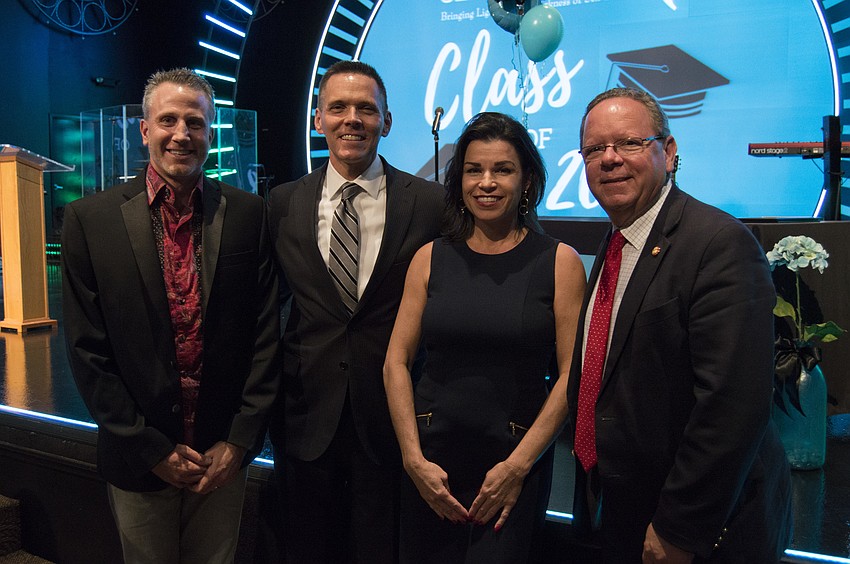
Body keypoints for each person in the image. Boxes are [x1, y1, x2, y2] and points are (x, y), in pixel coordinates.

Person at [62, 68, 280, 564]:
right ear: (145, 130)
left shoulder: (249, 214)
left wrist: (239, 442)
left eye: (194, 122)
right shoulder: (89, 221)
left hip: (221, 457)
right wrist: (150, 449)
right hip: (139, 457)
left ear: (210, 132)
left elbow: (266, 334)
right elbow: (86, 350)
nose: (181, 133)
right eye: (168, 120)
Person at [569, 87, 792, 563]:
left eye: (629, 143)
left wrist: (680, 529)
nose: (609, 159)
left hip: (699, 532)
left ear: (668, 152)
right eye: (594, 149)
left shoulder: (719, 244)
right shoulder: (615, 243)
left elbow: (732, 406)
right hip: (625, 509)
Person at [383, 112, 587, 563]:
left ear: (527, 180)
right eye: (474, 170)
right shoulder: (429, 257)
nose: (487, 183)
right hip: (430, 464)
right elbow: (396, 360)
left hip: (513, 467)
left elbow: (572, 376)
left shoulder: (560, 262)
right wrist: (412, 459)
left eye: (503, 169)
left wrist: (518, 467)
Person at [267, 60, 444, 564]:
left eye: (366, 108)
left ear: (386, 121)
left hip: (393, 419)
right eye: (338, 107)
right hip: (305, 417)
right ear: (318, 119)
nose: (352, 119)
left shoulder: (429, 203)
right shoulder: (281, 203)